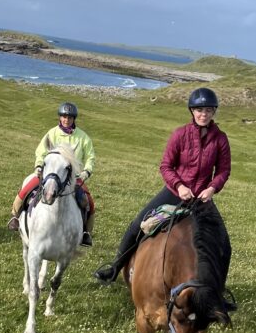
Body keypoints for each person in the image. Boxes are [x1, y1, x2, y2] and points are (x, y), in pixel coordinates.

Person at [94, 87, 233, 292]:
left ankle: (217, 290)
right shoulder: (180, 134)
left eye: (208, 110)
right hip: (175, 192)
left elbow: (223, 170)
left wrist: (212, 188)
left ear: (214, 112)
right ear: (192, 111)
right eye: (199, 109)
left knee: (224, 244)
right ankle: (115, 268)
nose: (204, 114)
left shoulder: (220, 139)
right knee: (137, 225)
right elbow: (166, 166)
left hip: (202, 199)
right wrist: (179, 186)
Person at [7, 102, 96, 247]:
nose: (66, 120)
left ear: (74, 119)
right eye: (64, 117)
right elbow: (41, 151)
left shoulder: (83, 138)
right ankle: (15, 216)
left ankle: (86, 233)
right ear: (60, 118)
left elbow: (90, 156)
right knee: (26, 189)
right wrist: (38, 165)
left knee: (89, 202)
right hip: (49, 174)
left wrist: (86, 171)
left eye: (70, 117)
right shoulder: (52, 133)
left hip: (73, 177)